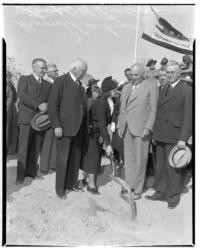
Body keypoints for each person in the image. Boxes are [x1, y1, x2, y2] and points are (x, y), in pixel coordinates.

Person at [145, 60, 192, 209]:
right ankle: (160, 191)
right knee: (160, 167)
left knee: (174, 169)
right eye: (167, 72)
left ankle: (173, 197)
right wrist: (154, 134)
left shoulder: (187, 90)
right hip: (160, 134)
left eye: (172, 72)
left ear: (179, 73)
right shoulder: (163, 88)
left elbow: (188, 117)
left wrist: (183, 139)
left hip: (175, 135)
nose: (169, 75)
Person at [48, 58, 88, 199]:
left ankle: (71, 184)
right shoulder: (61, 81)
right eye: (84, 70)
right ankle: (60, 189)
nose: (85, 73)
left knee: (75, 159)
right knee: (63, 159)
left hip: (78, 129)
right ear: (75, 69)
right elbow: (53, 106)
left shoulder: (79, 84)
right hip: (64, 129)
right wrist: (57, 125)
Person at [118, 63, 159, 200]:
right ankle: (129, 185)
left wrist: (148, 127)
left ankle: (139, 189)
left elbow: (153, 109)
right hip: (126, 128)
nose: (133, 77)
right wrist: (120, 125)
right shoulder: (125, 87)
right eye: (131, 75)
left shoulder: (151, 86)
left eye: (136, 75)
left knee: (141, 159)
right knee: (129, 159)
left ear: (142, 74)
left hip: (141, 129)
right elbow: (122, 109)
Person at [16, 58, 51, 184]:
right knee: (23, 147)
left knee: (36, 147)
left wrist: (47, 104)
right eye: (42, 68)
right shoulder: (24, 79)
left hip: (40, 121)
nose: (44, 70)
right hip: (26, 119)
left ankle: (31, 172)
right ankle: (20, 176)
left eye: (45, 68)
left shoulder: (48, 85)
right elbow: (22, 95)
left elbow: (51, 99)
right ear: (34, 67)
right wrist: (38, 105)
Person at [81, 86, 103, 194]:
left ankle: (87, 179)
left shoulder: (100, 102)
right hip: (92, 133)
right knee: (92, 157)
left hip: (97, 132)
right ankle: (91, 183)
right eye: (94, 92)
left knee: (93, 157)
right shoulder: (90, 102)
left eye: (97, 92)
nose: (96, 94)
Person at [40, 63, 59, 174]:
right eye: (55, 71)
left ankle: (52, 165)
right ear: (49, 72)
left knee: (54, 140)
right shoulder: (45, 83)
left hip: (54, 114)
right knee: (47, 142)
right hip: (47, 115)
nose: (57, 73)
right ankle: (44, 166)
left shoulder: (54, 82)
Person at [6, 71, 18, 155]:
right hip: (9, 109)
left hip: (10, 110)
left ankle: (10, 149)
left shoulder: (10, 85)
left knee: (10, 129)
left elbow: (13, 97)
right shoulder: (9, 85)